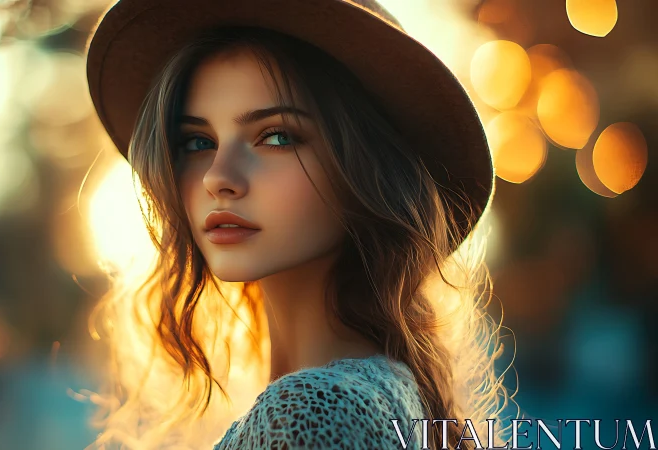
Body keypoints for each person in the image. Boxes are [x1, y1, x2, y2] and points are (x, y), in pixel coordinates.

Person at [85, 0, 510, 448]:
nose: (218, 177)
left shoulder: (311, 411)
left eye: (277, 136)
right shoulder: (380, 392)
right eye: (197, 141)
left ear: (366, 171)